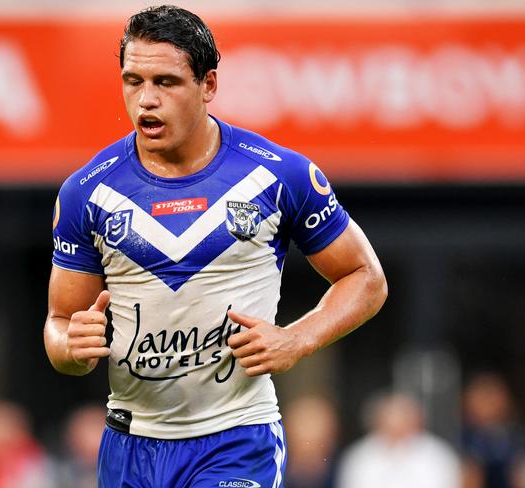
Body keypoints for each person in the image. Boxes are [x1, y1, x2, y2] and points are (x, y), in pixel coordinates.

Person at [44, 5, 387, 487]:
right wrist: (70, 347)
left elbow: (366, 278)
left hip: (236, 438)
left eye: (165, 82)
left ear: (208, 85)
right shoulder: (86, 192)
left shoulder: (278, 174)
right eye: (133, 80)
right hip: (130, 443)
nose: (145, 100)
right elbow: (60, 326)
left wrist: (297, 338)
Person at [336, 392, 461, 488]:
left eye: (403, 420)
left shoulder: (438, 454)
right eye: (389, 422)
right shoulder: (358, 456)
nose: (396, 429)